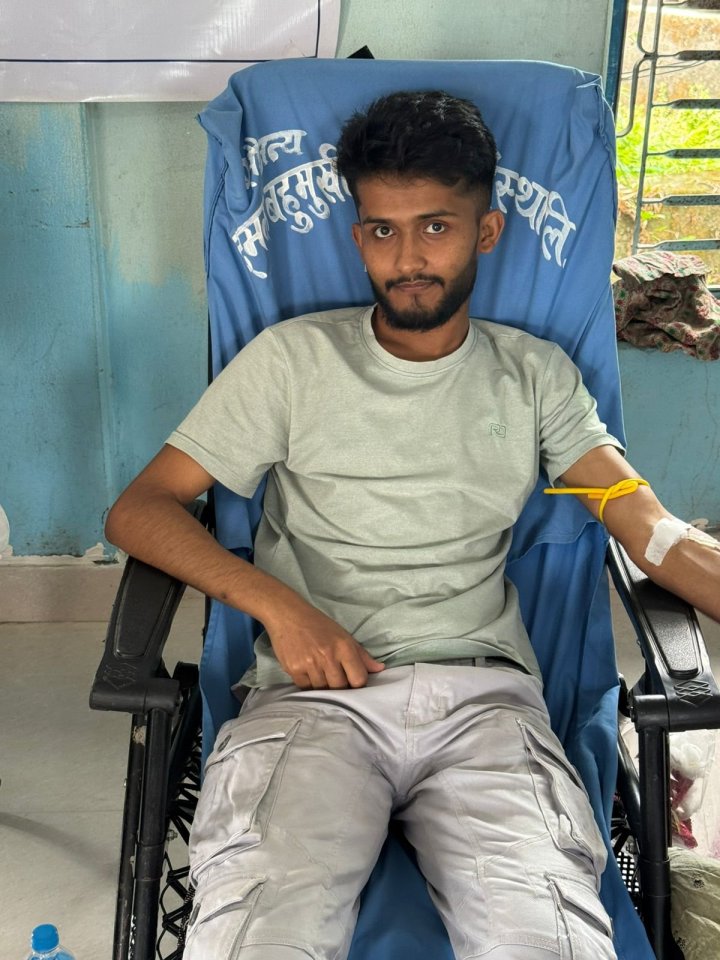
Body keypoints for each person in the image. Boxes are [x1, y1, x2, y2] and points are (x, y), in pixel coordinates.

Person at [105, 90, 720, 960]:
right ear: (358, 237)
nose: (407, 259)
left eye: (436, 227)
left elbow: (649, 529)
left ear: (487, 231)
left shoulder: (535, 377)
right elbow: (140, 508)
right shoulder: (292, 361)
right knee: (262, 928)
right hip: (313, 702)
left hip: (484, 706)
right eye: (383, 231)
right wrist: (280, 608)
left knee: (544, 938)